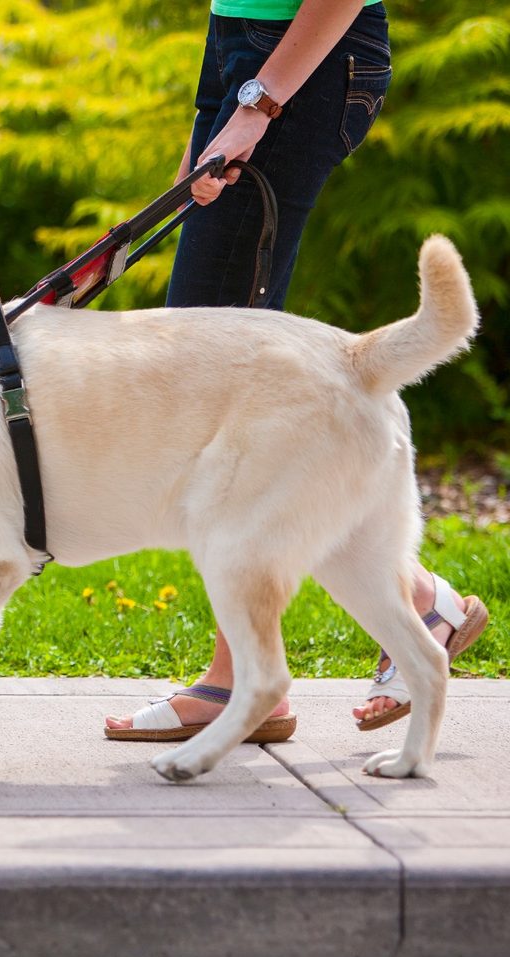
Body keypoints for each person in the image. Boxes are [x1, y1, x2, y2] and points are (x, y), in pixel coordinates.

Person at [105, 0, 489, 741]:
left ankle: (242, 683)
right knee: (203, 368)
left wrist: (262, 99)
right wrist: (218, 104)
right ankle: (417, 603)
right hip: (246, 51)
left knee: (222, 384)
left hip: (304, 54)